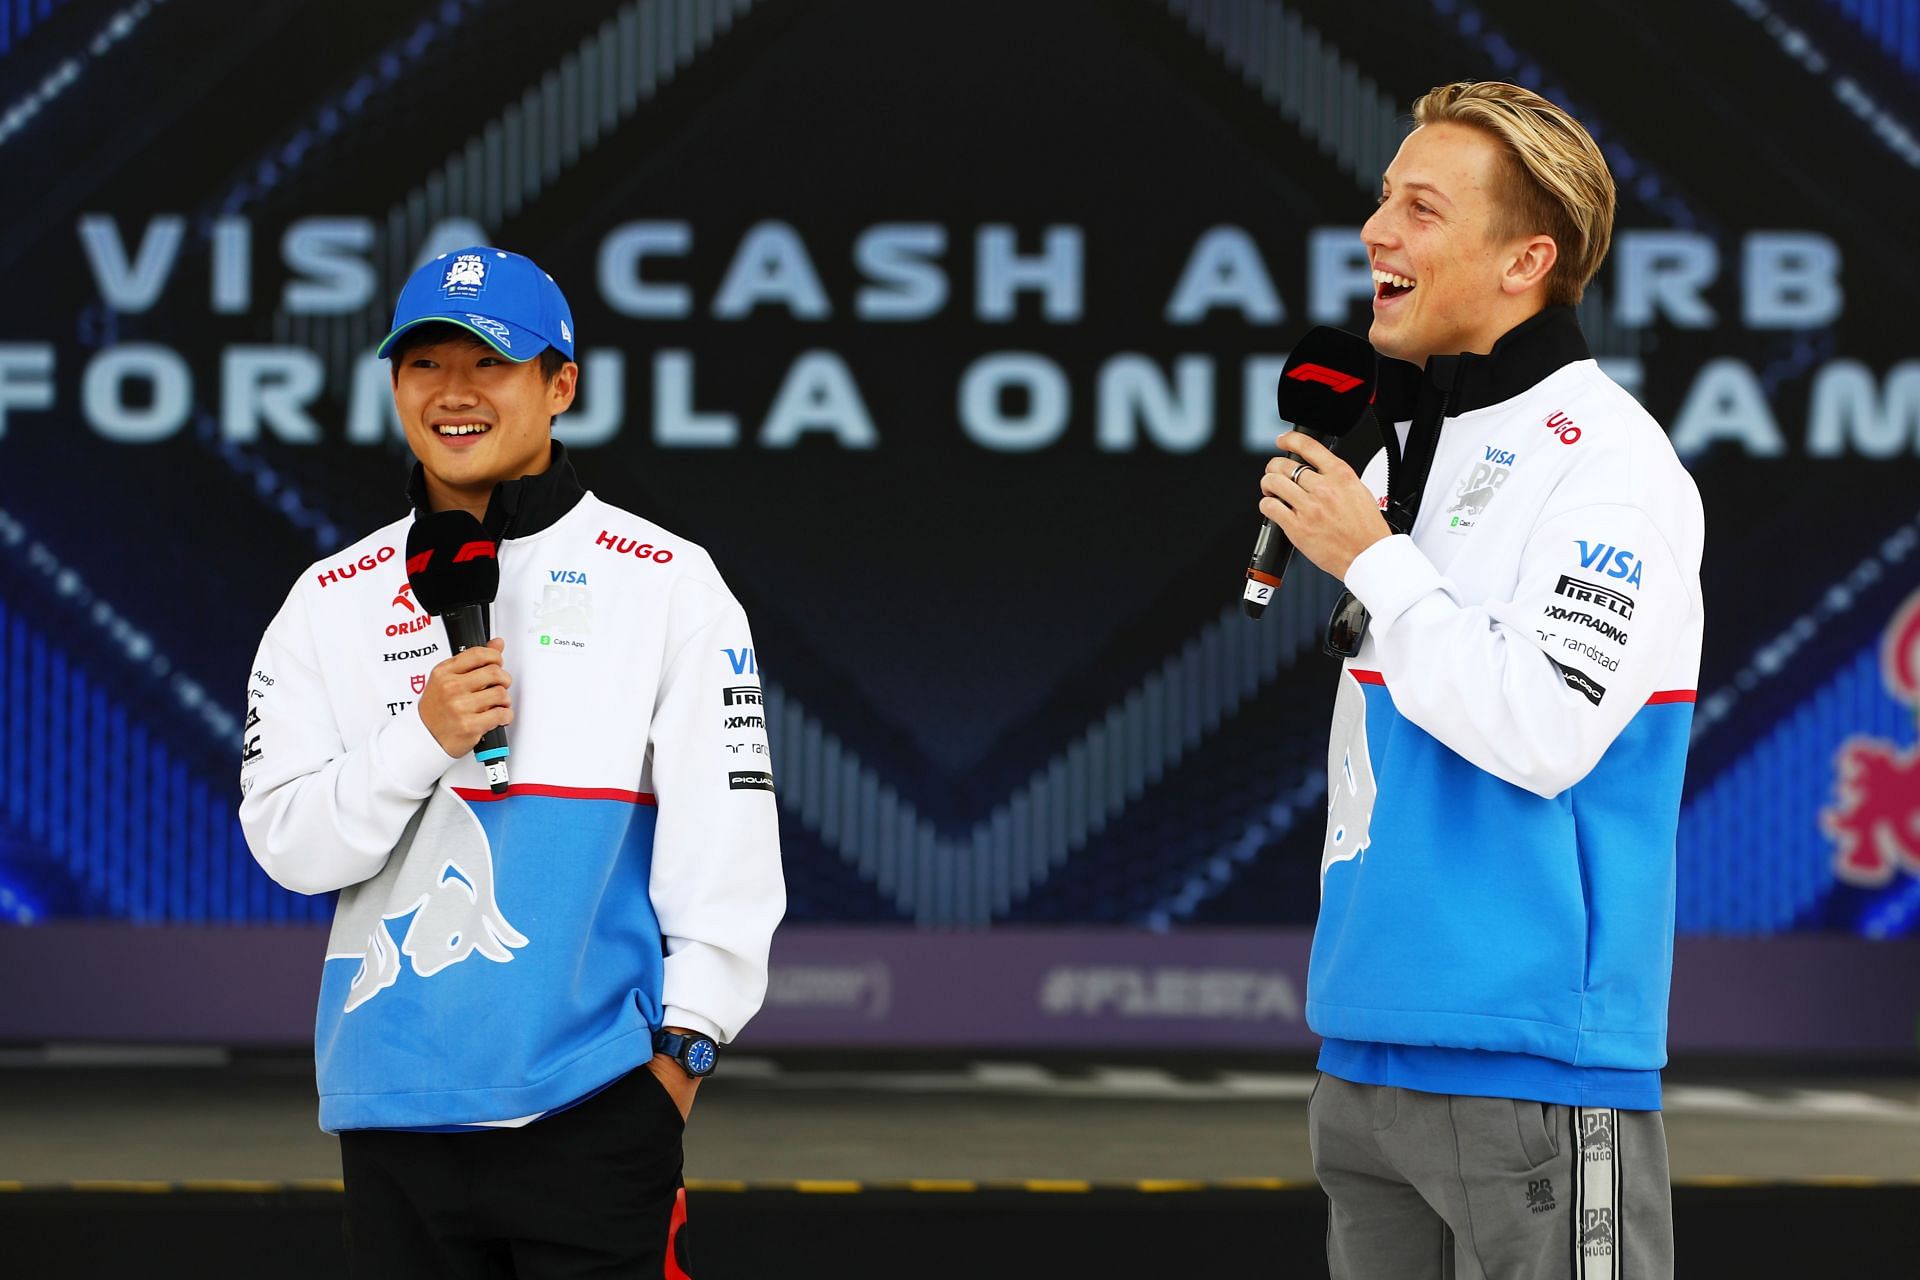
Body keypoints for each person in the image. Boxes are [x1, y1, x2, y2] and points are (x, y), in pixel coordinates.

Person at [239, 246, 785, 1277]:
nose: (452, 393)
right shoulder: (330, 595)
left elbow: (731, 854)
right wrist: (420, 738)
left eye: (488, 362)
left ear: (560, 383)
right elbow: (289, 845)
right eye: (423, 364)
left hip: (595, 1110)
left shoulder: (668, 580)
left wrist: (682, 1061)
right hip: (391, 1108)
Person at [1259, 83, 1702, 1279]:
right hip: (1365, 1047)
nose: (1374, 231)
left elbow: (1547, 723)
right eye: (1380, 199)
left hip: (1531, 1062)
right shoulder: (1425, 443)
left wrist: (1377, 562)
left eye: (1419, 206)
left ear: (1527, 261)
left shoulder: (1612, 463)